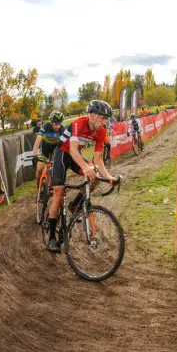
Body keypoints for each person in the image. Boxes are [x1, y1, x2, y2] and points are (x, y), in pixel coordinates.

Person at [46, 100, 118, 253]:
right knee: (58, 193)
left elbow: (98, 159)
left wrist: (109, 177)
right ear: (92, 115)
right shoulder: (78, 123)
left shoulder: (101, 132)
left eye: (107, 119)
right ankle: (51, 238)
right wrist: (86, 168)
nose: (105, 122)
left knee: (95, 175)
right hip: (62, 155)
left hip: (75, 157)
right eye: (103, 118)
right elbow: (72, 150)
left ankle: (75, 205)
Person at [31, 110, 66, 185]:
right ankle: (39, 188)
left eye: (59, 124)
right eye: (56, 124)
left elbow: (67, 142)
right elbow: (38, 141)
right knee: (40, 169)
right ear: (51, 122)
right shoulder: (46, 126)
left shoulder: (62, 128)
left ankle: (50, 184)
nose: (58, 126)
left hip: (55, 148)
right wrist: (34, 155)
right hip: (45, 148)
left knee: (54, 169)